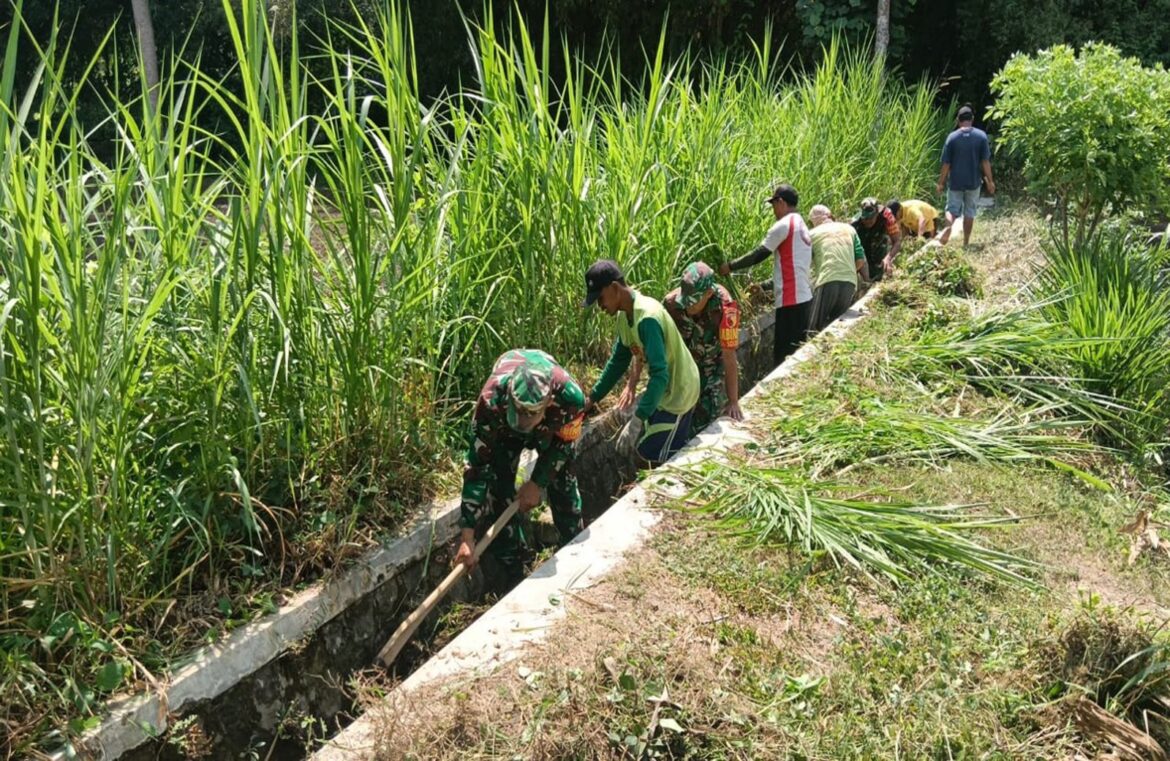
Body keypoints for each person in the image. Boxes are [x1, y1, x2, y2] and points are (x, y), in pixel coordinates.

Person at [454, 349, 586, 578]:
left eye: (529, 415)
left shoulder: (570, 399)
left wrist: (537, 482)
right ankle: (516, 570)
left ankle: (574, 548)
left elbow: (563, 446)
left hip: (552, 429)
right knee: (498, 489)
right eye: (519, 412)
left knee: (563, 479)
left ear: (548, 403)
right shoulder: (490, 403)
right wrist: (467, 537)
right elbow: (477, 469)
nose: (522, 420)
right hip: (503, 430)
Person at [582, 260, 700, 466]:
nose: (600, 306)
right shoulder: (624, 316)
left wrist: (636, 421)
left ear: (615, 288)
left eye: (600, 299)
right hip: (665, 391)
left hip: (680, 392)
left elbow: (659, 374)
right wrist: (592, 399)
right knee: (650, 453)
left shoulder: (647, 318)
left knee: (651, 458)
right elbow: (618, 361)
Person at [621, 262, 743, 431]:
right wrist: (632, 384)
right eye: (685, 300)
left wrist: (733, 401)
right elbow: (645, 346)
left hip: (712, 368)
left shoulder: (726, 308)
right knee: (669, 422)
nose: (688, 306)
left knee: (707, 419)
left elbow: (729, 356)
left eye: (693, 302)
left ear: (708, 293)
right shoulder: (670, 305)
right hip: (681, 369)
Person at [718, 184, 813, 366]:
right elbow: (793, 267)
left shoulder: (783, 225)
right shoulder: (800, 224)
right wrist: (764, 286)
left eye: (773, 205)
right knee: (797, 350)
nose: (773, 210)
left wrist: (729, 266)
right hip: (803, 297)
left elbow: (759, 254)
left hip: (791, 300)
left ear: (781, 202)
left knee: (784, 356)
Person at [937, 104, 995, 248]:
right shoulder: (981, 136)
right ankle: (966, 242)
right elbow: (985, 162)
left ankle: (948, 229)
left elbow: (946, 164)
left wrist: (941, 183)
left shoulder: (952, 138)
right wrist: (990, 181)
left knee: (951, 210)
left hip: (956, 182)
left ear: (958, 120)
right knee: (969, 212)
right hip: (974, 182)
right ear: (972, 119)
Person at [807, 204, 868, 332]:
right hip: (850, 282)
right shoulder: (849, 229)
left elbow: (803, 264)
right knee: (837, 324)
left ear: (813, 222)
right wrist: (847, 270)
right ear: (831, 216)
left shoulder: (811, 234)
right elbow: (861, 260)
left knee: (814, 328)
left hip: (827, 280)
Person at [851, 197, 902, 281]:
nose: (867, 221)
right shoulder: (854, 223)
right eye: (865, 219)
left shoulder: (887, 216)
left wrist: (888, 258)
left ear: (877, 214)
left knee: (881, 272)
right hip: (863, 252)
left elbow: (897, 241)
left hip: (879, 248)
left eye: (871, 219)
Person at [887, 198, 952, 245]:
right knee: (910, 240)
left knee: (929, 243)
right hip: (915, 225)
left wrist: (919, 238)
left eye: (895, 215)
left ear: (899, 210)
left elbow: (922, 220)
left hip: (929, 220)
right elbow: (900, 228)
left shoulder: (911, 209)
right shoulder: (900, 213)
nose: (895, 218)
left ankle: (937, 236)